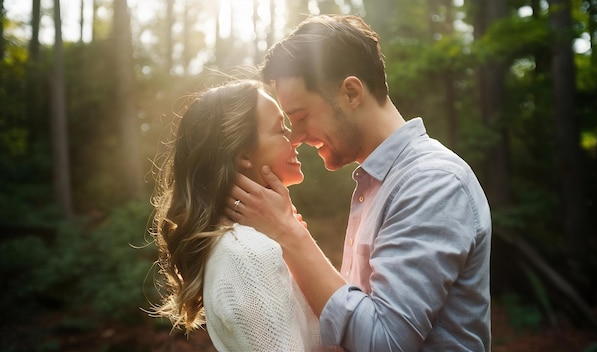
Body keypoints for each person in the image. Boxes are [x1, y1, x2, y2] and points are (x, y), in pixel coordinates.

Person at [228, 14, 492, 351]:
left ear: (351, 93)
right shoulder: (377, 184)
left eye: (301, 117)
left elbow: (383, 342)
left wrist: (289, 235)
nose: (296, 138)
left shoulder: (431, 183)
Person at [150, 79, 324, 351]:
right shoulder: (248, 254)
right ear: (243, 154)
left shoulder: (249, 245)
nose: (295, 138)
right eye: (281, 129)